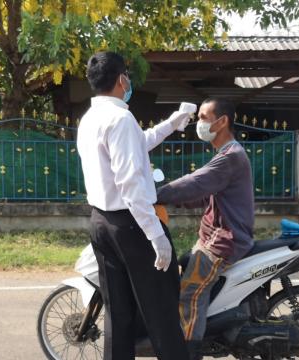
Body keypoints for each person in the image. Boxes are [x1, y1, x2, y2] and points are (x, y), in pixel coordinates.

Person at [77, 51, 190, 360]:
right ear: (121, 79)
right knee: (162, 312)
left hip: (101, 223)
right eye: (127, 75)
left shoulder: (90, 119)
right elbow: (130, 184)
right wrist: (156, 235)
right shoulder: (120, 119)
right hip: (132, 226)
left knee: (119, 314)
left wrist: (170, 124)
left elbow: (139, 142)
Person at [156, 97, 255, 360]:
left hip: (224, 240)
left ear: (222, 122)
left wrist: (155, 194)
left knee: (190, 292)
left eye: (203, 117)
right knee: (181, 268)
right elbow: (201, 195)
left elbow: (196, 183)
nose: (198, 123)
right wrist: (169, 198)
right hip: (212, 237)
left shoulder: (230, 157)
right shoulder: (225, 154)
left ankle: (188, 352)